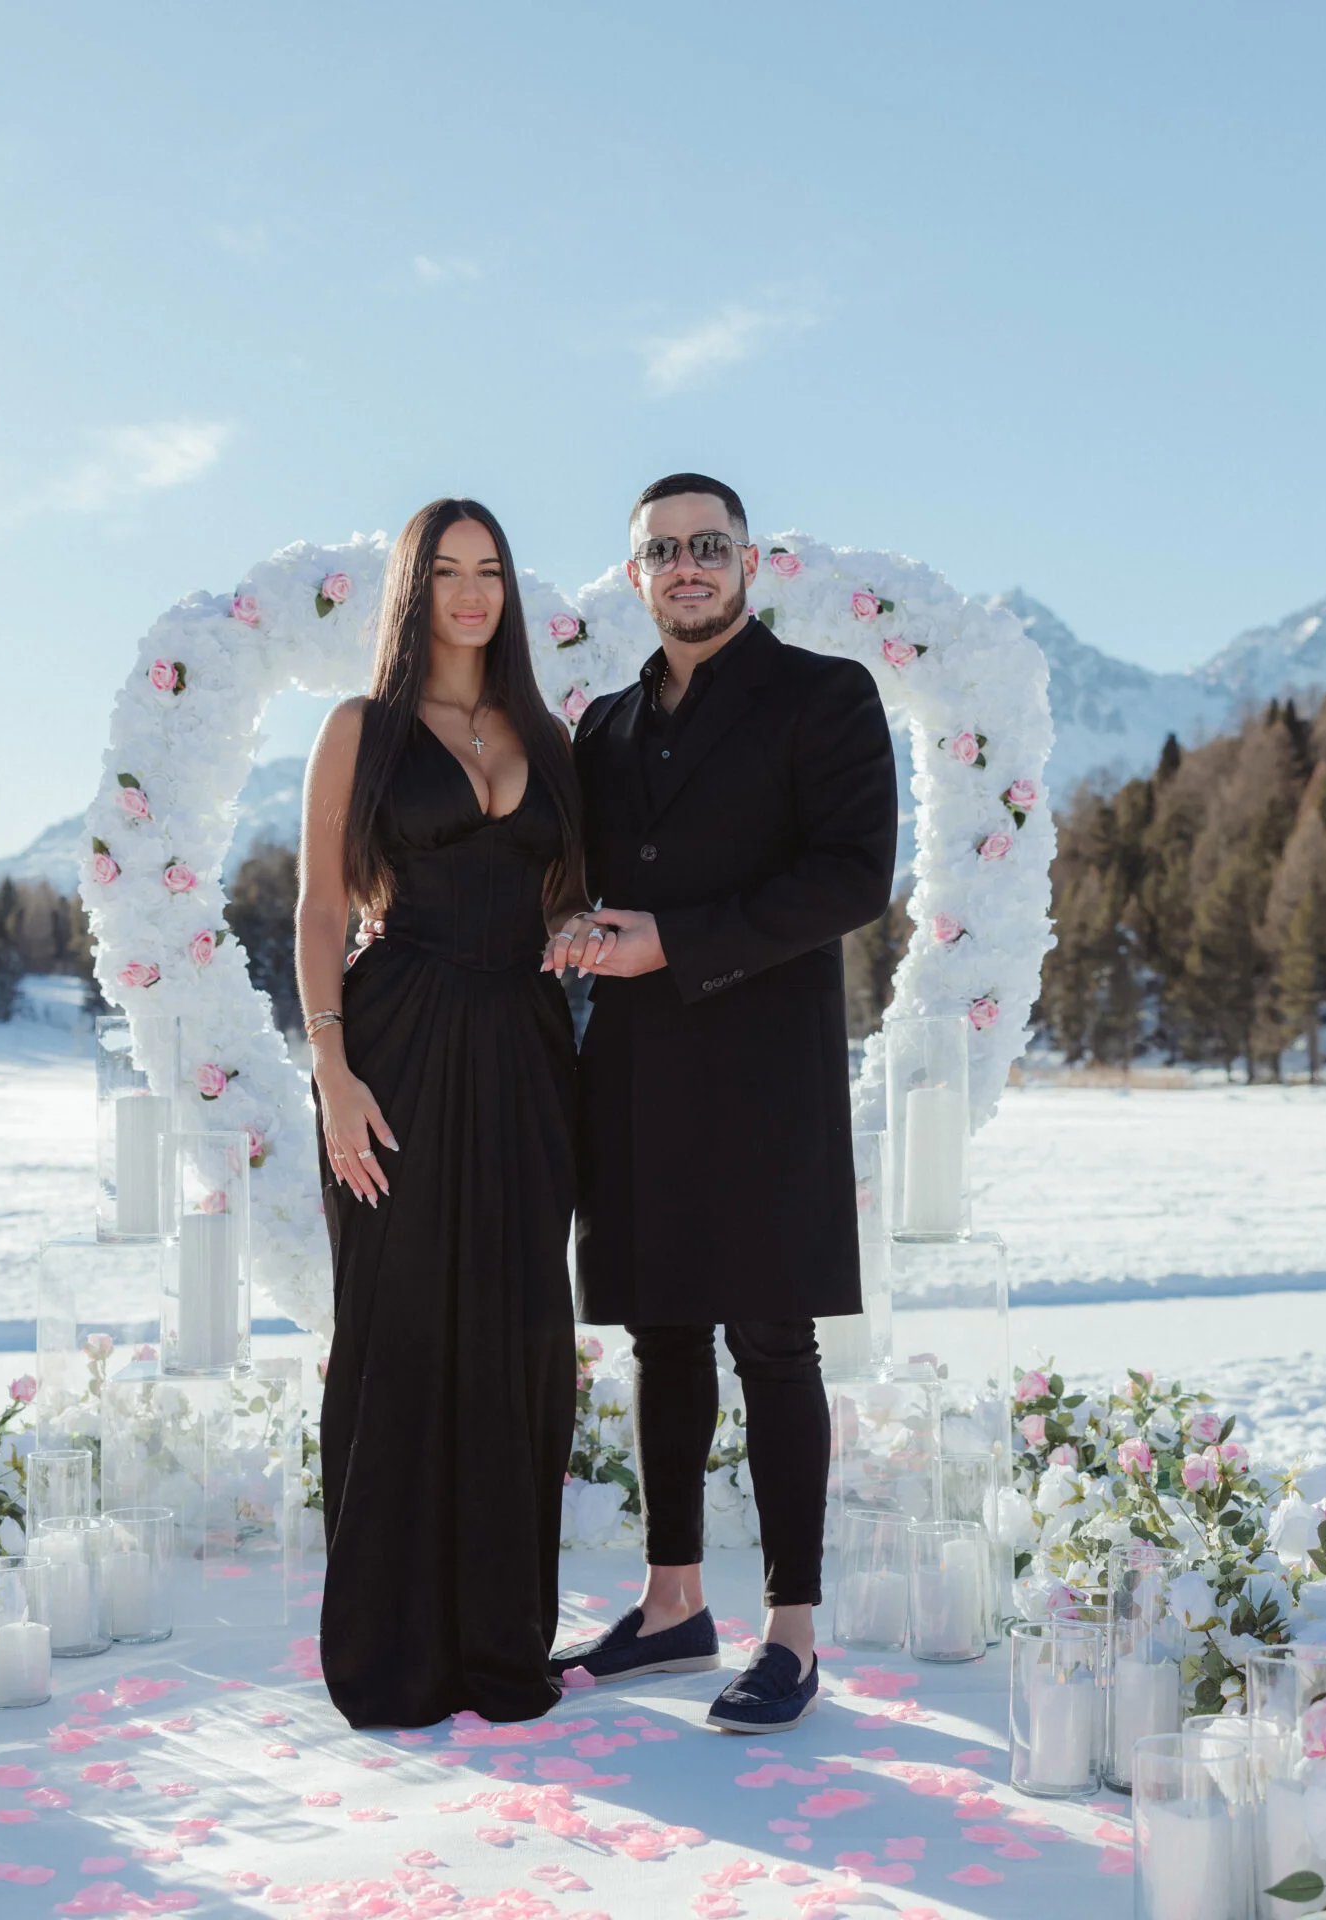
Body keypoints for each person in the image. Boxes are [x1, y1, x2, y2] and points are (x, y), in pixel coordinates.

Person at [545, 473, 897, 1734]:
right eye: (661, 551)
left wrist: (675, 944)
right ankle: (672, 1605)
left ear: (751, 562)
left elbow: (853, 875)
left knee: (773, 1342)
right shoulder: (601, 728)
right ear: (633, 575)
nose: (686, 566)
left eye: (708, 546)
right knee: (660, 1336)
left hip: (761, 1066)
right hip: (631, 1068)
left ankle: (792, 1633)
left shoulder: (825, 695)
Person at [295, 498, 587, 1728]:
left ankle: (498, 1640)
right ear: (414, 591)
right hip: (397, 1046)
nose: (473, 593)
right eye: (448, 572)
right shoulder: (358, 728)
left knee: (522, 1329)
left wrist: (577, 930)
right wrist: (332, 1070)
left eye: (491, 572)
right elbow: (318, 907)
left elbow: (573, 892)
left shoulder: (547, 735)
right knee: (401, 1327)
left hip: (525, 1055)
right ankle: (393, 1652)